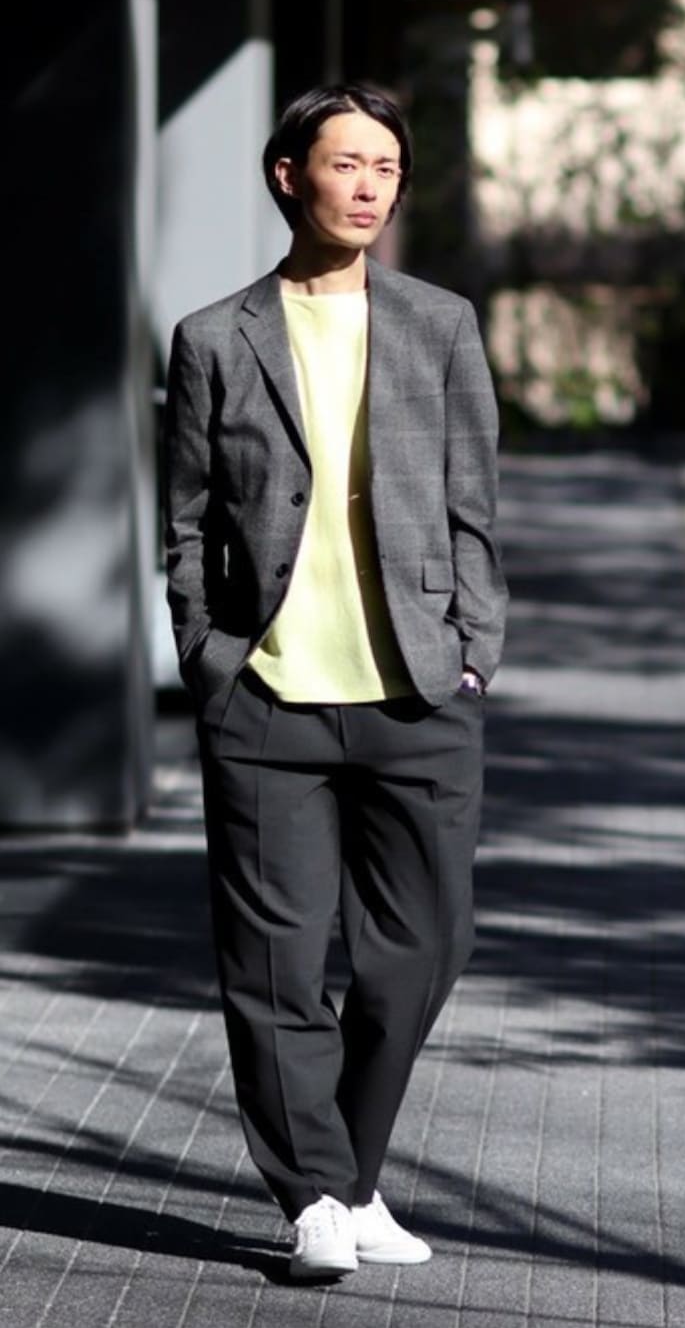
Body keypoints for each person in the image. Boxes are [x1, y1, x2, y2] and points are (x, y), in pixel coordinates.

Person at [162, 83, 507, 1280]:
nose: (368, 185)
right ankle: (314, 1193)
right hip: (267, 693)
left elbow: (474, 501)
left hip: (418, 689)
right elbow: (186, 522)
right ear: (288, 175)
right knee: (275, 960)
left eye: (386, 167)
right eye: (346, 162)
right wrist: (208, 657)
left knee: (423, 948)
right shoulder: (216, 337)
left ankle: (351, 1174)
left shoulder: (439, 322)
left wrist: (475, 646)